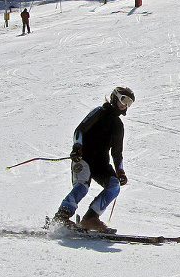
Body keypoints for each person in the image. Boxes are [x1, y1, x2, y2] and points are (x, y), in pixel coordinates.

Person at [51, 87, 135, 232]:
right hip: (83, 157)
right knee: (82, 186)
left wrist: (120, 171)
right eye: (124, 100)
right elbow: (80, 130)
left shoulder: (118, 125)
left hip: (100, 163)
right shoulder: (99, 112)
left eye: (129, 102)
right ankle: (61, 217)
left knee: (114, 185)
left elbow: (117, 153)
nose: (125, 105)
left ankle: (90, 219)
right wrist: (77, 147)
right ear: (115, 98)